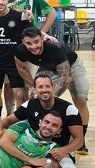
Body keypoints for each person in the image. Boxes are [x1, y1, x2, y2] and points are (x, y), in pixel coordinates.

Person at [15, 26, 89, 154]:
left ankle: (80, 140)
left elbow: (66, 77)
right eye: (28, 43)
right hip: (48, 66)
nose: (33, 46)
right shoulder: (21, 51)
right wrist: (34, 85)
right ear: (23, 42)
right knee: (36, 95)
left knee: (81, 100)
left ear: (42, 39)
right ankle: (38, 134)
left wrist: (52, 96)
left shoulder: (54, 49)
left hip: (72, 66)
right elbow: (21, 68)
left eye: (36, 42)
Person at [0, 72, 83, 156]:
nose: (44, 90)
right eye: (40, 87)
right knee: (0, 136)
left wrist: (63, 150)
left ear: (53, 88)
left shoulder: (69, 109)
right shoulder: (29, 105)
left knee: (52, 165)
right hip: (36, 148)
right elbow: (8, 120)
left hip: (58, 150)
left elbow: (79, 140)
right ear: (34, 89)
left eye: (47, 86)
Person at [0, 0, 32, 129]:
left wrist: (44, 35)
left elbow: (31, 31)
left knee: (19, 93)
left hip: (14, 60)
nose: (0, 2)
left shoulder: (19, 16)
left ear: (8, 1)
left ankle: (19, 124)